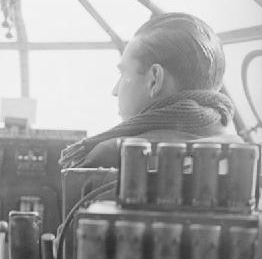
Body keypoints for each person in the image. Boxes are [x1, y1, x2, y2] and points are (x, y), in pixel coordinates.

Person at [60, 12, 239, 169]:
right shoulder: (241, 153)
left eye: (123, 73)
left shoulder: (114, 155)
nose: (115, 91)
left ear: (155, 79)